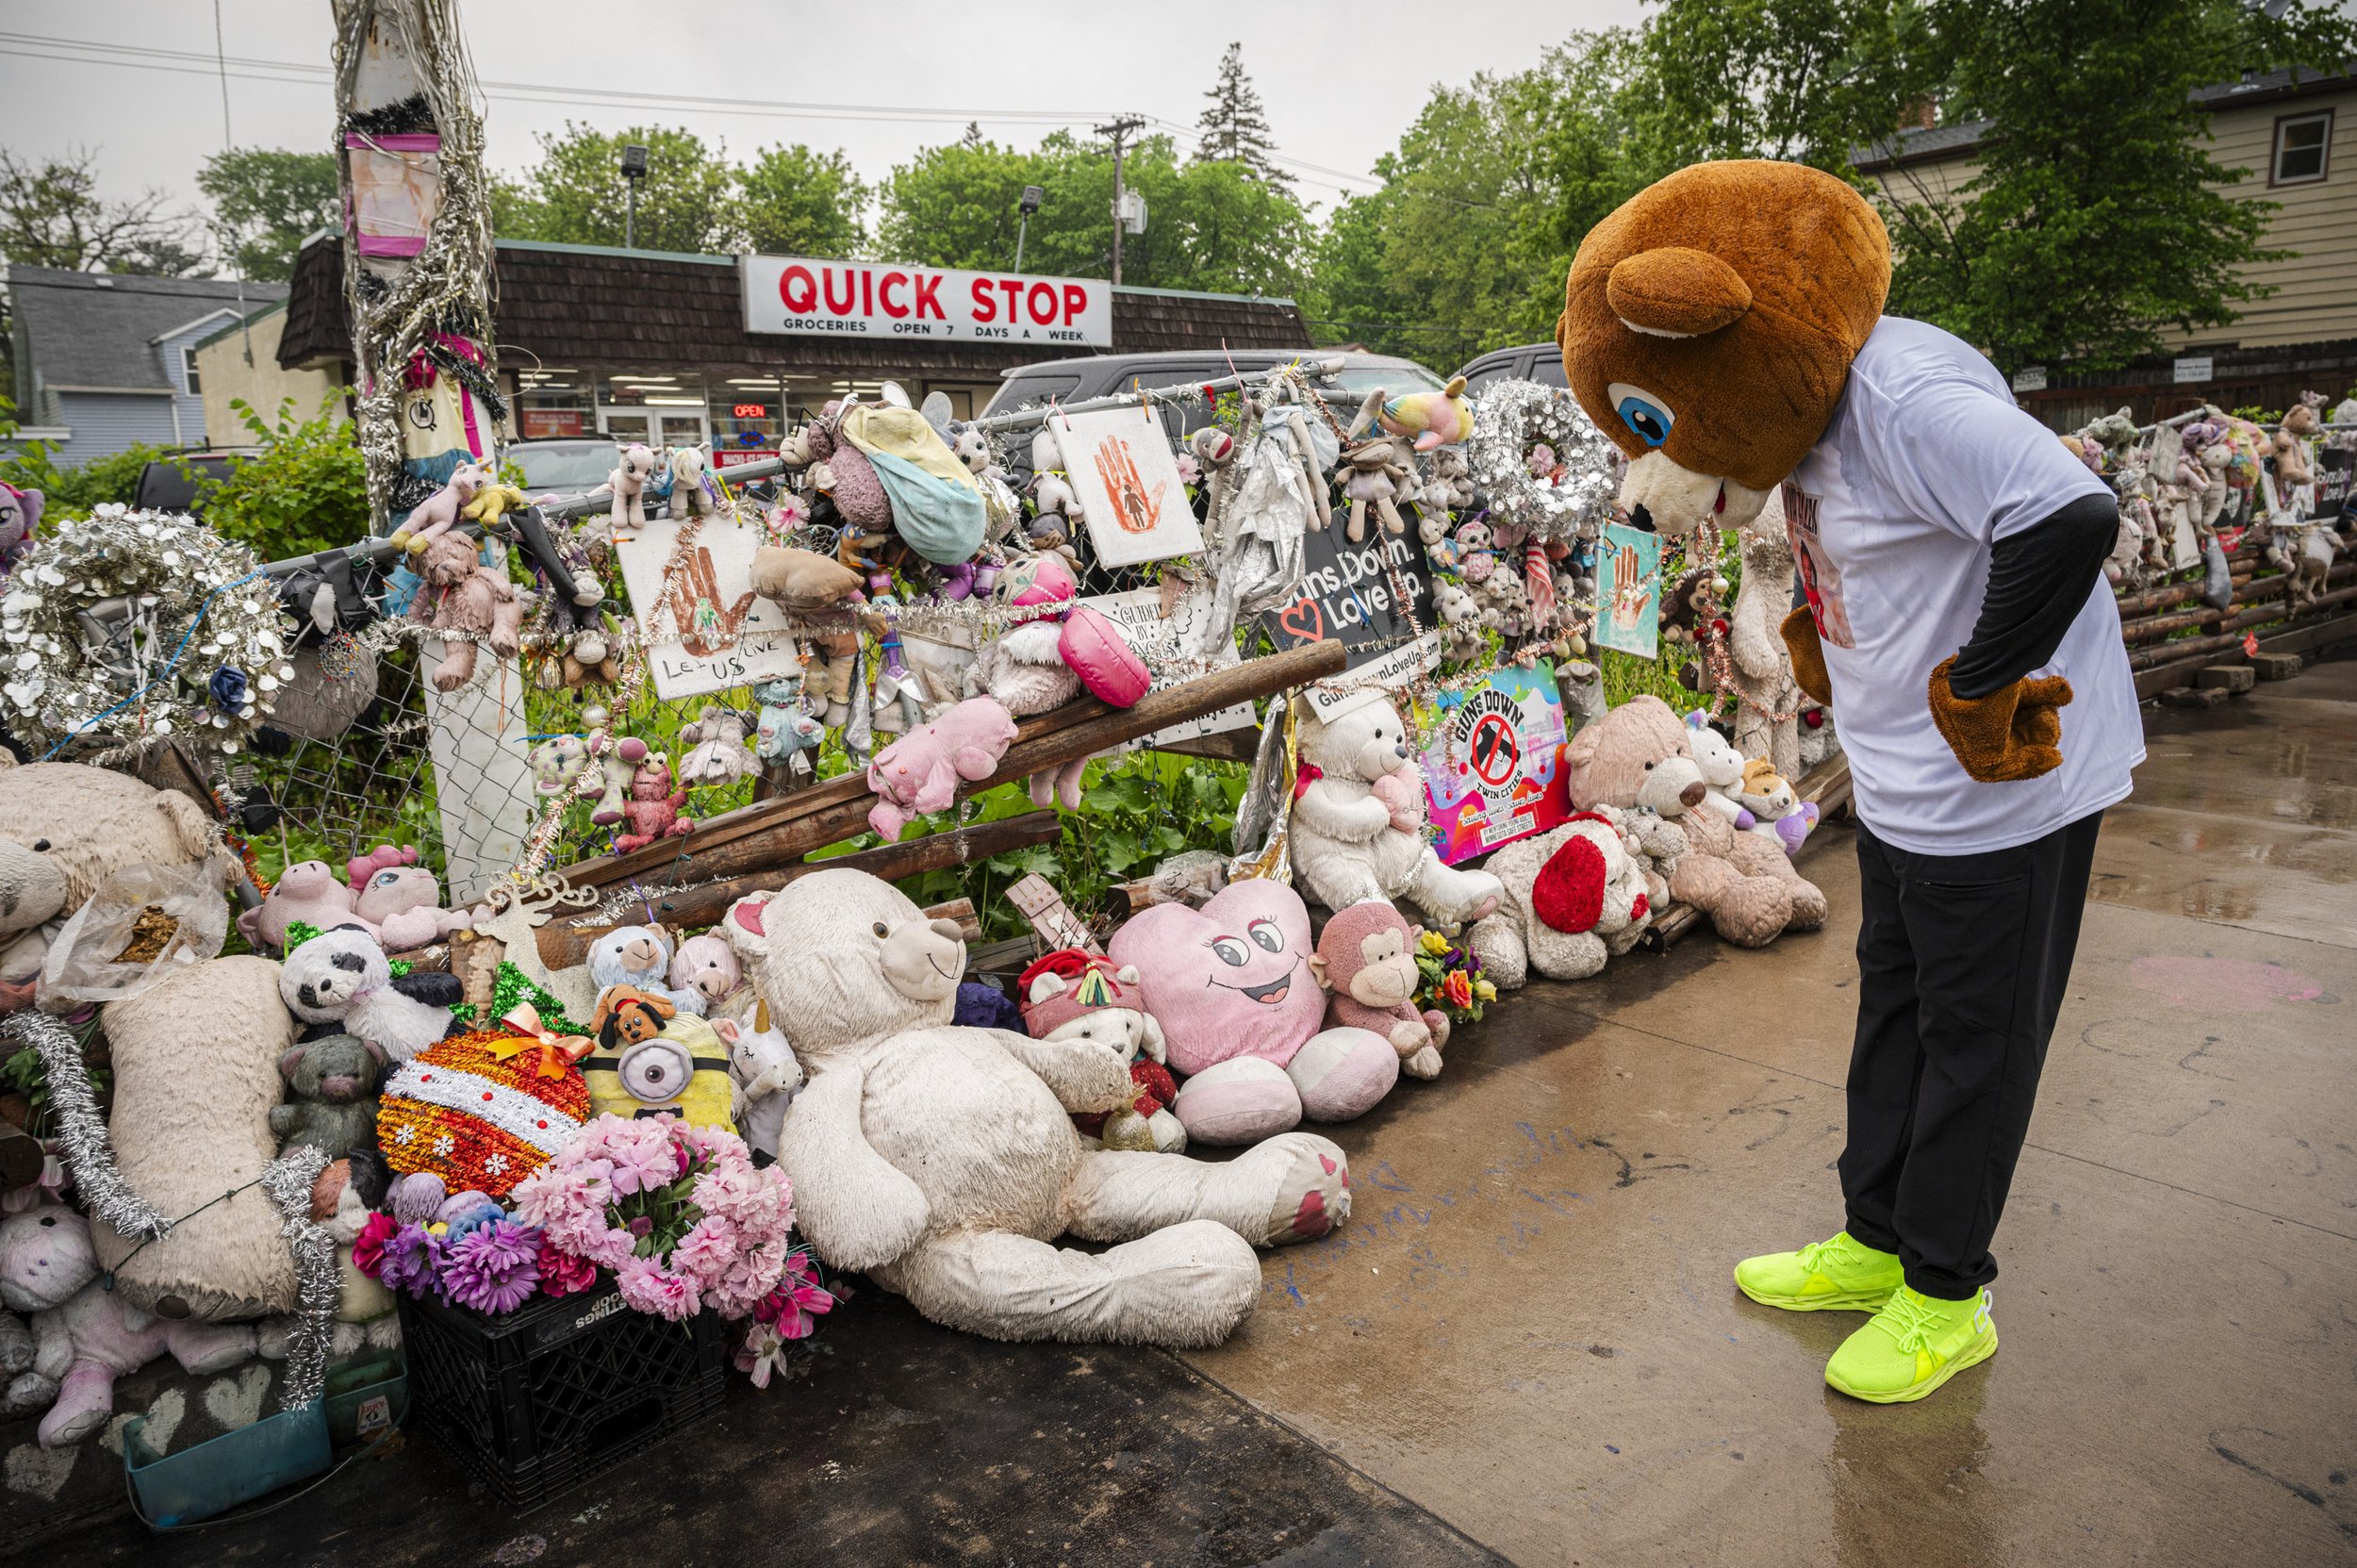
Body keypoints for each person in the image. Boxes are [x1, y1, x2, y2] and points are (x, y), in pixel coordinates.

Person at [1558, 159, 2140, 1403]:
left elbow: (2069, 514)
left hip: (2007, 786)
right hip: (1901, 783)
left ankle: (1946, 1296)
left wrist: (1980, 684)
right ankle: (1875, 1244)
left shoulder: (1905, 395)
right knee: (1896, 1008)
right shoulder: (1800, 401)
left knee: (1977, 1038)